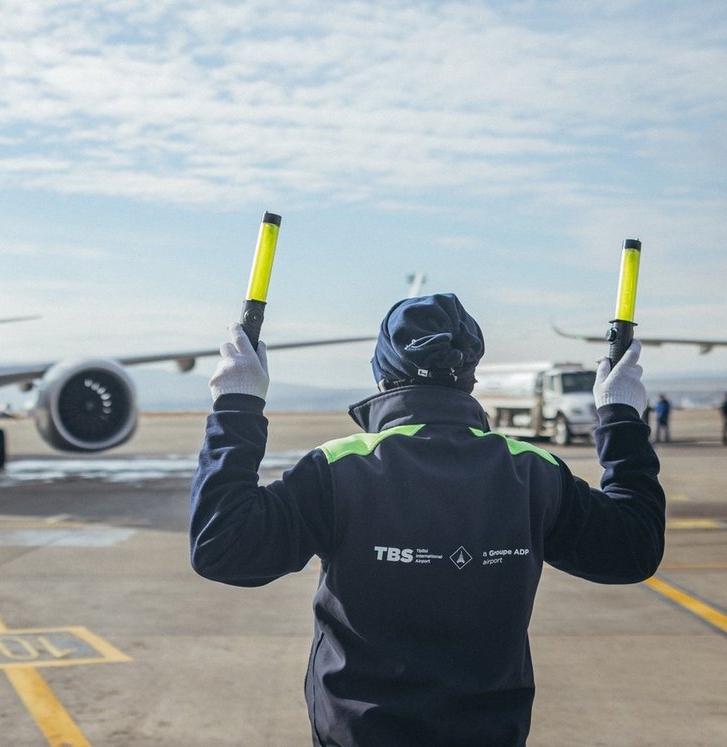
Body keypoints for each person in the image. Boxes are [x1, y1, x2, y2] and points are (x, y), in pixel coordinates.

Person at [189, 294, 665, 747]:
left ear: (382, 376)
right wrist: (620, 418)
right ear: (470, 377)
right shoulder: (531, 472)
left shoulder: (341, 469)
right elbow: (632, 550)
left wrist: (237, 406)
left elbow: (224, 549)